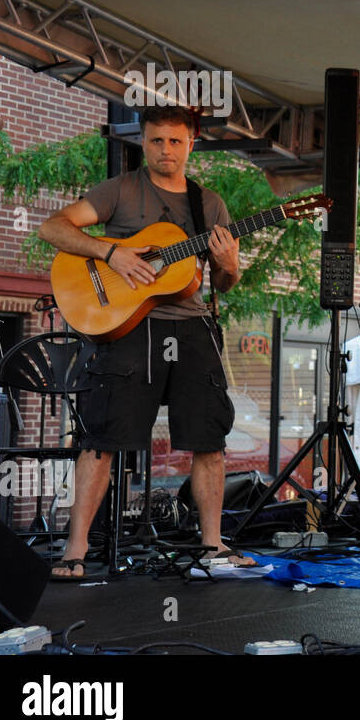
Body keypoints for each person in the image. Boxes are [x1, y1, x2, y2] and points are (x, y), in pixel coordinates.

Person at [39, 105, 253, 578]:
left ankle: (212, 548)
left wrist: (231, 264)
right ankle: (73, 553)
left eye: (175, 142)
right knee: (102, 439)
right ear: (143, 142)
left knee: (209, 438)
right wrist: (110, 252)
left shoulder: (209, 204)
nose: (166, 150)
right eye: (157, 141)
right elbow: (52, 227)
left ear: (190, 145)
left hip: (191, 324)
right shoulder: (120, 189)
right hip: (129, 325)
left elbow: (224, 281)